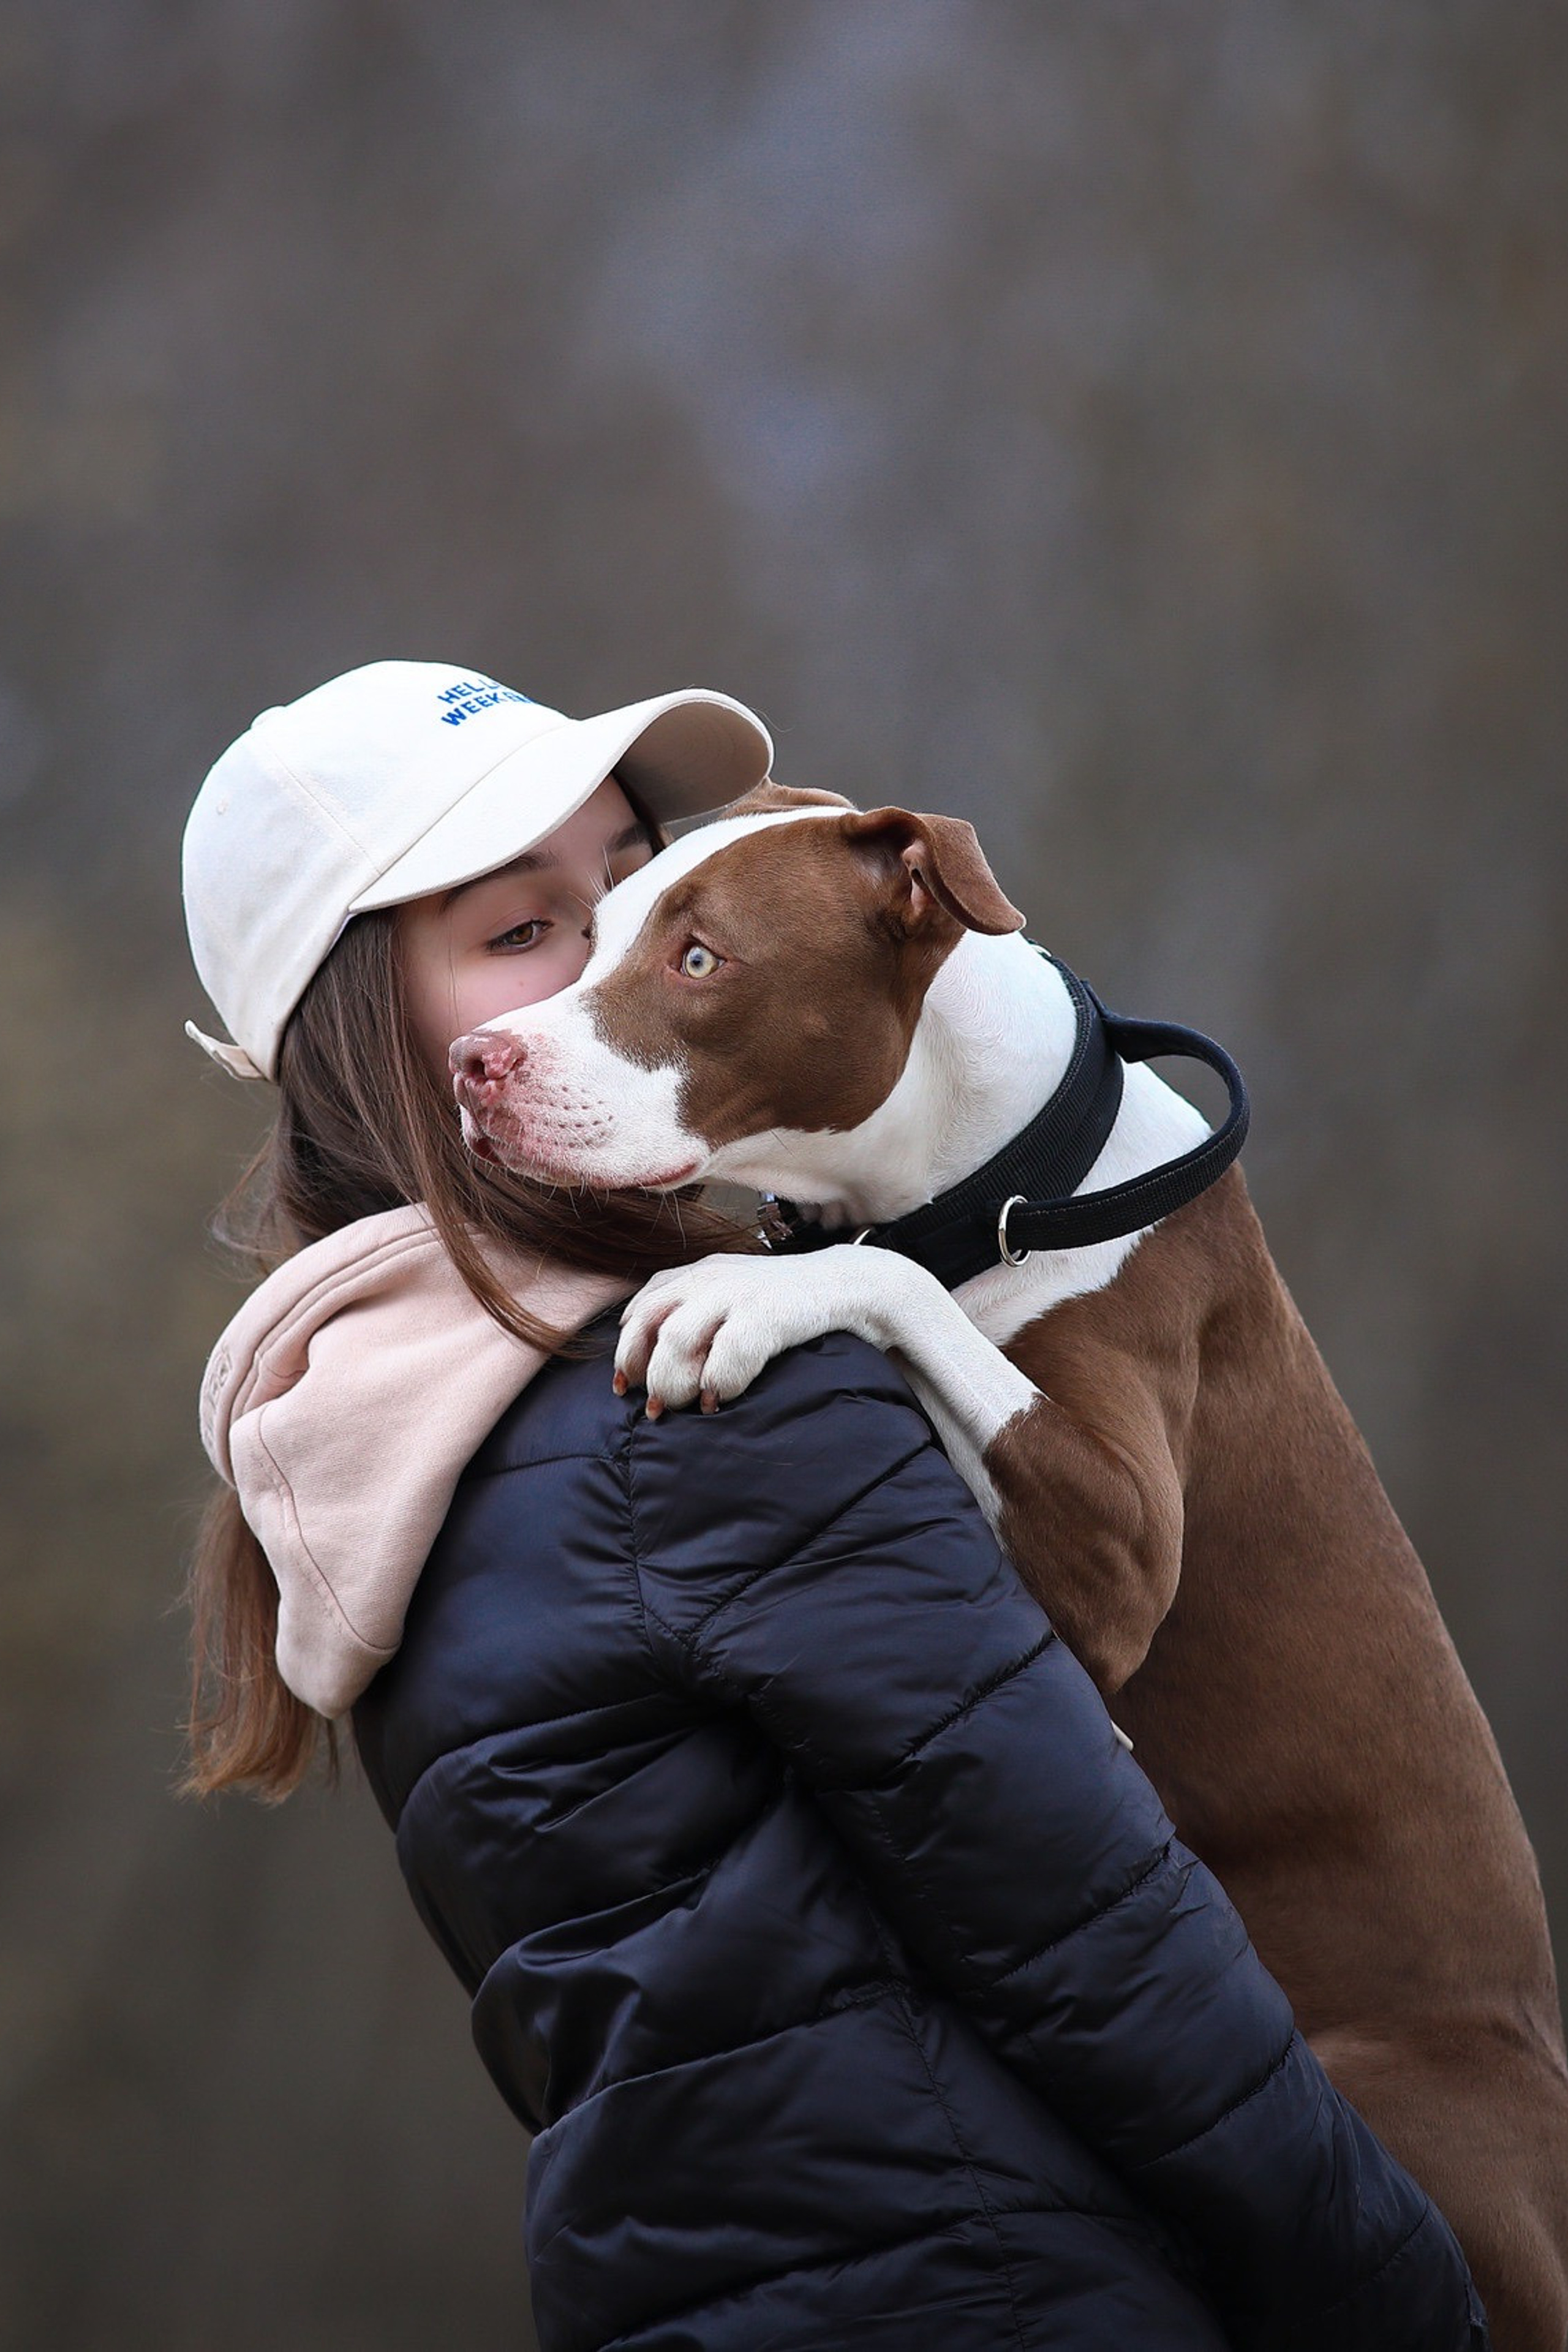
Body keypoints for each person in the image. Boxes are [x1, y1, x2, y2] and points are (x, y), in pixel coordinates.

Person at [181, 661, 1489, 2351]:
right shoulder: (710, 1393)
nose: (611, 967)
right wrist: (1411, 2317)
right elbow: (1107, 1951)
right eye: (525, 933)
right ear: (372, 1040)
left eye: (641, 888)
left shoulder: (378, 1448)